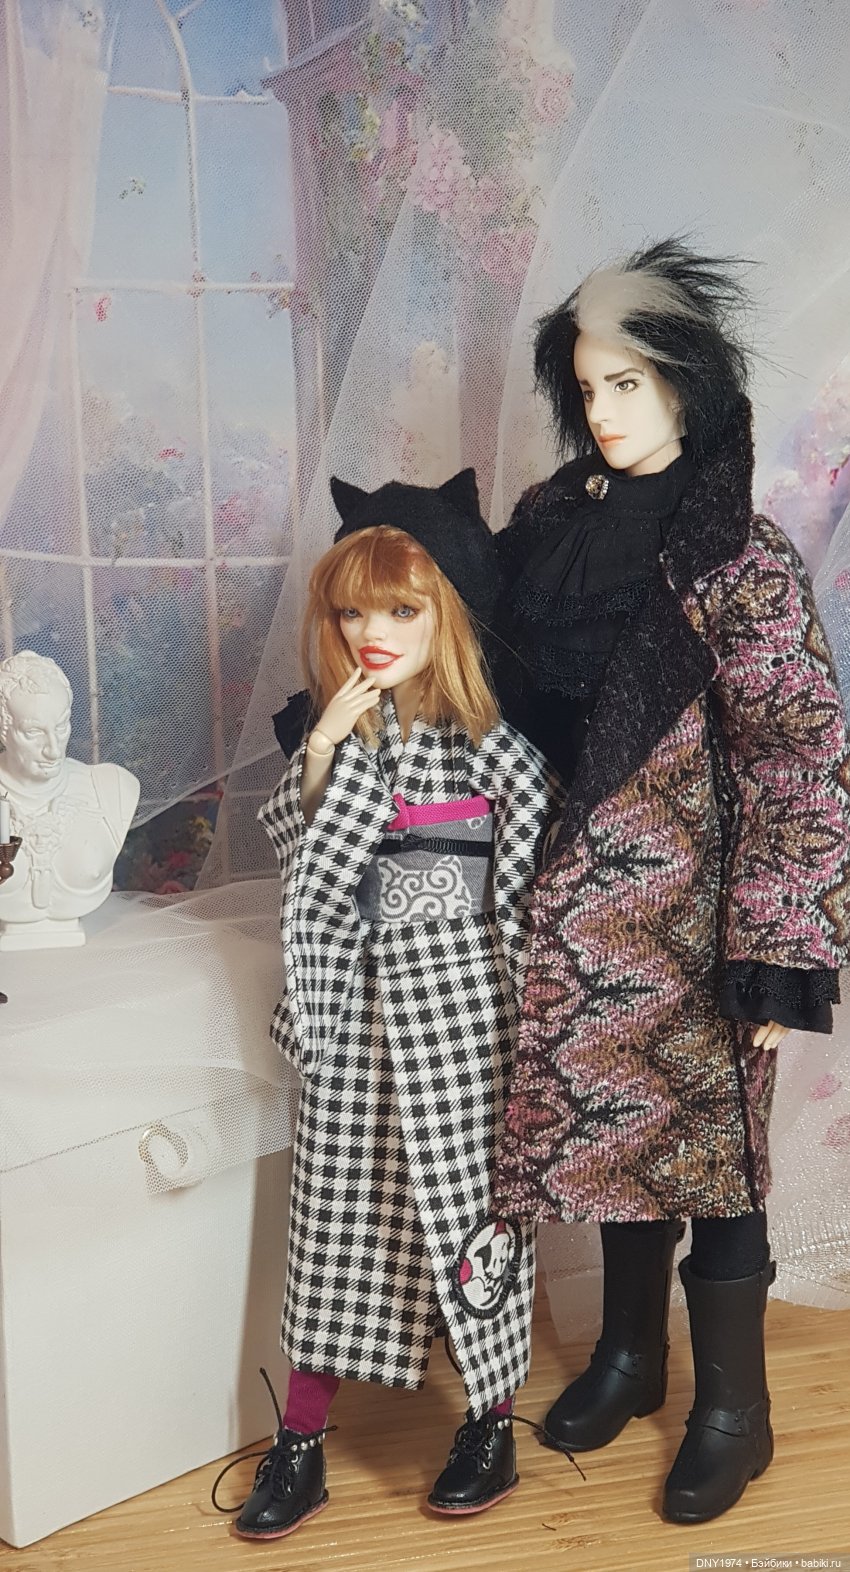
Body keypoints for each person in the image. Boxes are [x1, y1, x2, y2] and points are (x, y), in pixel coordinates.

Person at [492, 239, 850, 1523]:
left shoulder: (738, 557)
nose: (603, 412)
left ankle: (734, 1412)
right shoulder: (546, 532)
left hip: (699, 922)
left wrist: (780, 938)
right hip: (570, 915)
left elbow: (800, 752)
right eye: (589, 387)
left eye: (629, 384)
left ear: (686, 384)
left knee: (718, 1163)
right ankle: (631, 1357)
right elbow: (492, 692)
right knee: (612, 1135)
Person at [217, 470, 561, 1542]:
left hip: (467, 1025)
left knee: (474, 1227)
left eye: (402, 610)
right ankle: (301, 1440)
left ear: (445, 613)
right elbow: (309, 883)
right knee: (333, 1227)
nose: (373, 633)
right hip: (357, 1025)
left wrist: (537, 1040)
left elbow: (527, 902)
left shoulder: (495, 752)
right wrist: (322, 749)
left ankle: (490, 1420)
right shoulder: (337, 738)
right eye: (352, 613)